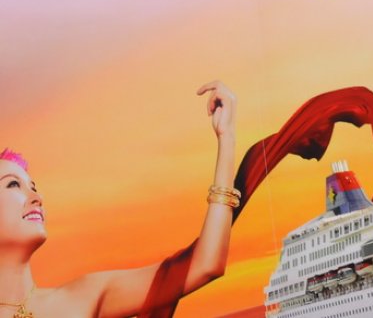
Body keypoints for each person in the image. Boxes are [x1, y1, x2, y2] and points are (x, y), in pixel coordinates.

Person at [0, 81, 237, 318]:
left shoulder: (83, 298)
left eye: (33, 187)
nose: (37, 198)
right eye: (13, 184)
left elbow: (203, 266)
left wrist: (226, 138)